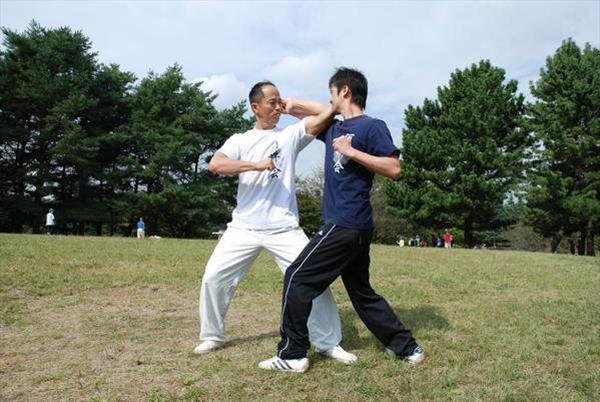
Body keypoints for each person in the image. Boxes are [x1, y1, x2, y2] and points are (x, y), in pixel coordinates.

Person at [259, 68, 424, 373]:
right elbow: (318, 112)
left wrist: (352, 152)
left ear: (344, 91)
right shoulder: (333, 127)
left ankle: (293, 353)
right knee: (362, 292)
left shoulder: (372, 127)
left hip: (345, 223)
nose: (329, 99)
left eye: (332, 93)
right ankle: (407, 347)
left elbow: (393, 167)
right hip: (353, 227)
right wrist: (290, 103)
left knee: (297, 277)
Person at [194, 81, 356, 365]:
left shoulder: (290, 135)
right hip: (243, 227)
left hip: (284, 228)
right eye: (272, 102)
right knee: (213, 278)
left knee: (312, 281)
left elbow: (330, 113)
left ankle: (328, 342)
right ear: (255, 107)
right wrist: (255, 165)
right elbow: (216, 165)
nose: (277, 107)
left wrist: (293, 105)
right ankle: (212, 335)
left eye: (279, 101)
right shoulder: (240, 140)